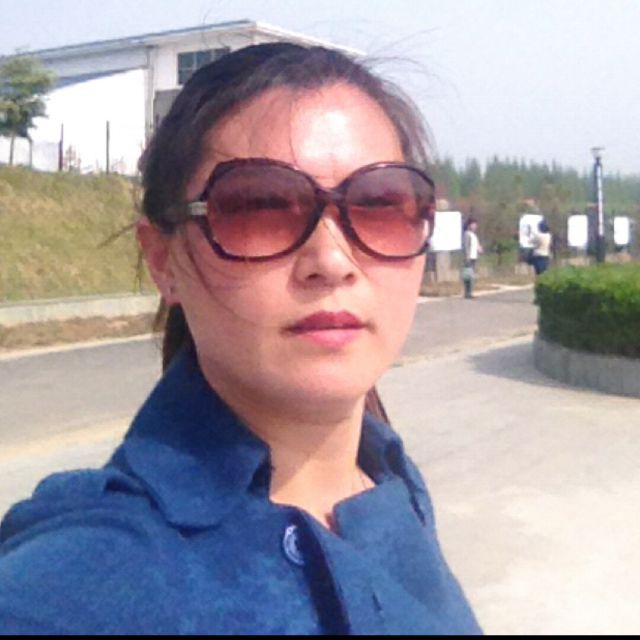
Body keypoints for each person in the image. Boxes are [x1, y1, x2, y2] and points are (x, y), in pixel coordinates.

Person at [0, 43, 481, 634]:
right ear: (163, 260)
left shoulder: (390, 480)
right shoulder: (90, 578)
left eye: (380, 204)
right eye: (259, 207)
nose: (332, 261)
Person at [462, 217, 482, 298]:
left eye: (475, 225)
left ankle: (469, 292)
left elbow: (476, 245)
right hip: (469, 257)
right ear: (469, 225)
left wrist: (479, 248)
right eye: (473, 224)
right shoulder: (467, 234)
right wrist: (466, 257)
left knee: (471, 275)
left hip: (474, 257)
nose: (475, 226)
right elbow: (466, 246)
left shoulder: (474, 235)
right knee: (469, 276)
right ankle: (468, 292)